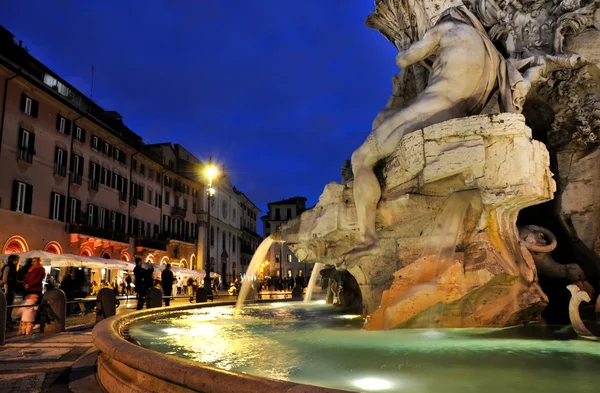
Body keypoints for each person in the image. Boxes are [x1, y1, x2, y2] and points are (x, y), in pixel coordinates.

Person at [337, 5, 547, 270]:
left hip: (430, 109)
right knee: (383, 117)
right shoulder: (494, 59)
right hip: (457, 114)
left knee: (361, 158)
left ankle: (368, 237)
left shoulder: (447, 29)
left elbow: (403, 59)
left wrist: (419, 47)